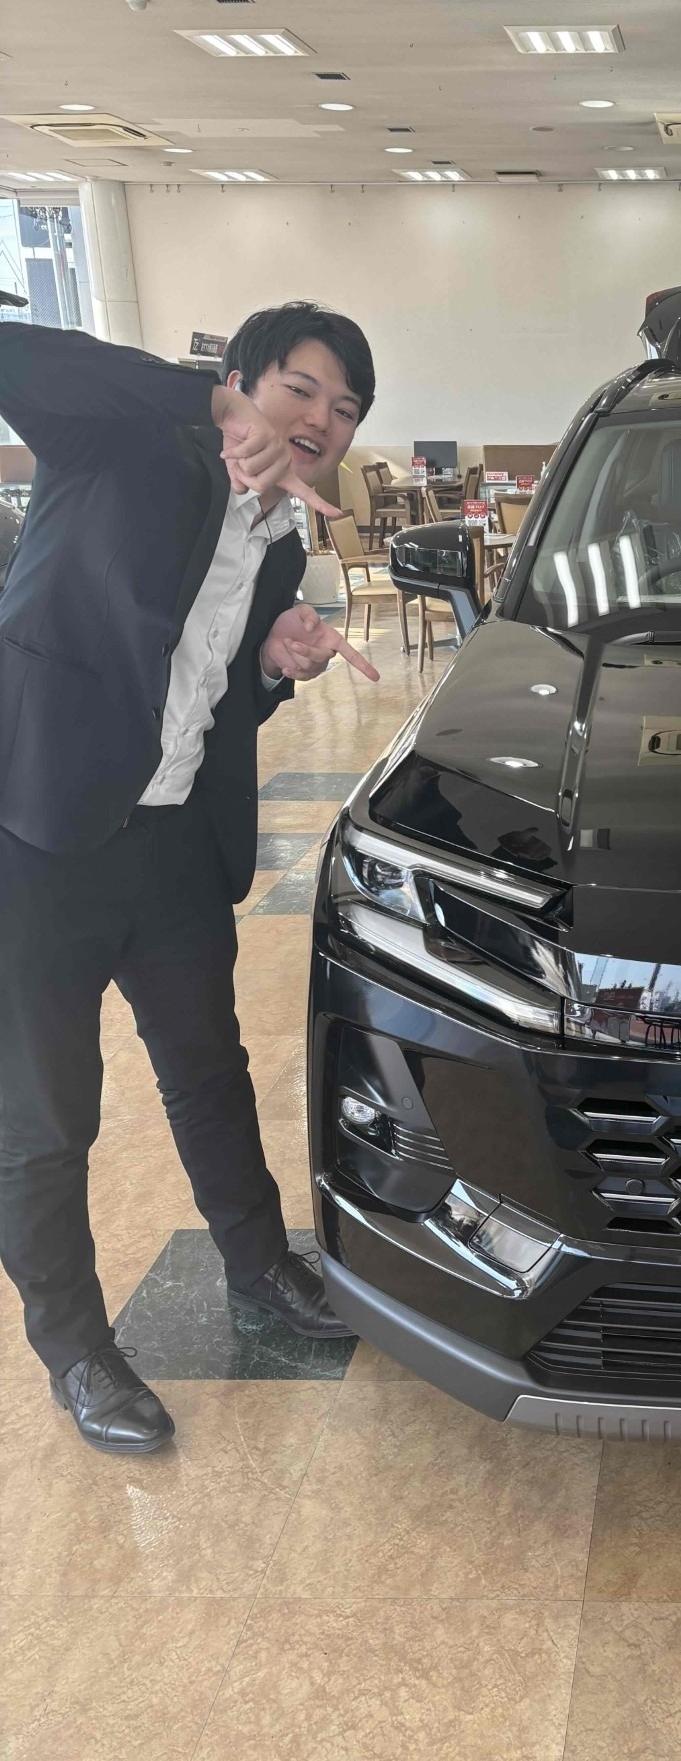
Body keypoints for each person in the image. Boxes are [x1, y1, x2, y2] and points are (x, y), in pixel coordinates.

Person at [0, 302, 381, 1454]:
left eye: (347, 408)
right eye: (302, 389)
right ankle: (75, 1348)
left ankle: (259, 1265)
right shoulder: (119, 441)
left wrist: (268, 664)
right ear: (245, 380)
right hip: (36, 835)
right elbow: (19, 353)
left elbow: (205, 703)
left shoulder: (285, 542)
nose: (322, 420)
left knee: (210, 1074)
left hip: (170, 847)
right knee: (45, 1118)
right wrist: (206, 405)